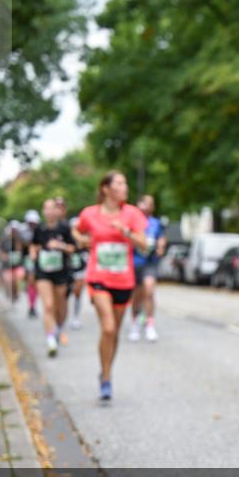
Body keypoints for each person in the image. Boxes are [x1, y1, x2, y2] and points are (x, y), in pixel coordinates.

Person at [72, 171, 147, 402]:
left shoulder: (132, 214)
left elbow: (144, 245)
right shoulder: (90, 214)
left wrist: (126, 232)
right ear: (106, 189)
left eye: (125, 183)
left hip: (124, 280)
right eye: (120, 183)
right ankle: (105, 378)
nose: (125, 187)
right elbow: (77, 229)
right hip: (98, 278)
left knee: (114, 333)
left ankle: (106, 373)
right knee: (108, 328)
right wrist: (81, 240)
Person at [31, 199, 76, 357]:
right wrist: (33, 252)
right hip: (43, 271)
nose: (50, 212)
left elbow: (72, 248)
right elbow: (33, 244)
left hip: (61, 272)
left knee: (60, 305)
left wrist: (60, 246)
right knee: (48, 306)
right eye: (47, 209)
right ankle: (50, 340)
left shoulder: (64, 228)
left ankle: (59, 328)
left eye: (53, 209)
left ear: (57, 211)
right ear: (43, 211)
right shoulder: (39, 229)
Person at [128, 195, 167, 342]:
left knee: (149, 290)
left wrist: (161, 247)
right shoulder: (131, 223)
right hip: (135, 262)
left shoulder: (156, 223)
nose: (146, 206)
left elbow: (161, 238)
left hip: (150, 262)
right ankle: (135, 323)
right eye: (143, 203)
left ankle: (150, 324)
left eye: (149, 204)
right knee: (137, 296)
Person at [68, 216, 88, 330]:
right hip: (68, 270)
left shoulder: (84, 240)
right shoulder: (67, 238)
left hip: (81, 269)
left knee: (77, 293)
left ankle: (75, 316)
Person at [22, 209, 41, 318]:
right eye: (30, 222)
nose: (32, 225)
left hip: (40, 260)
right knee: (31, 281)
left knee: (36, 284)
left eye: (34, 223)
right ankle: (32, 306)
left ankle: (33, 304)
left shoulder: (40, 231)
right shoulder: (24, 232)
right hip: (29, 260)